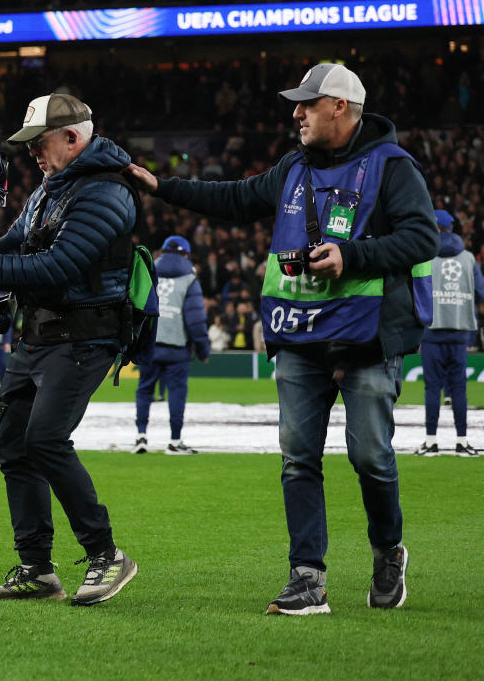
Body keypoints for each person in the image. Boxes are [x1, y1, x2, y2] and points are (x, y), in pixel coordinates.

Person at [126, 63, 438, 614]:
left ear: (339, 106)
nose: (296, 113)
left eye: (307, 103)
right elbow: (235, 199)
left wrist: (354, 254)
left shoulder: (394, 166)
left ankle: (389, 552)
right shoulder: (292, 167)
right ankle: (306, 576)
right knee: (298, 458)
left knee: (371, 458)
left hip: (366, 340)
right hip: (299, 336)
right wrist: (162, 187)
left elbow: (421, 237)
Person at [0, 93, 139, 607]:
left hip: (84, 335)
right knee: (16, 446)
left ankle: (106, 555)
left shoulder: (106, 192)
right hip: (39, 334)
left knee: (45, 440)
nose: (33, 156)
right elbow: (17, 245)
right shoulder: (53, 189)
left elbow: (57, 267)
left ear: (72, 138)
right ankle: (37, 569)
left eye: (39, 144)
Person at [416, 210, 484, 457]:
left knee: (432, 388)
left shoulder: (424, 256)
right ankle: (462, 442)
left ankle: (431, 442)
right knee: (459, 389)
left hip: (432, 332)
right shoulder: (468, 258)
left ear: (434, 228)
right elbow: (480, 294)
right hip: (460, 332)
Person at [134, 236, 211, 455]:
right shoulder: (189, 279)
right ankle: (175, 441)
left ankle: (141, 436)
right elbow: (195, 319)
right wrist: (203, 350)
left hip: (150, 345)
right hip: (177, 349)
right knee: (177, 393)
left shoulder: (149, 273)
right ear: (186, 255)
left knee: (144, 390)